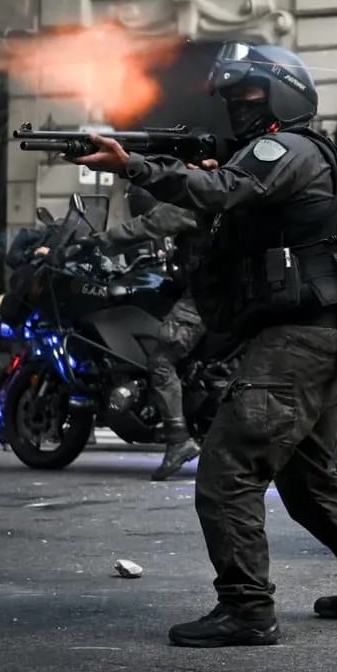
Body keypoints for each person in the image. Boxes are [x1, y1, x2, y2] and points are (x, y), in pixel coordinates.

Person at [68, 42, 337, 647]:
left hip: (303, 336)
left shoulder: (288, 149)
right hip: (331, 331)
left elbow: (223, 191)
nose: (238, 109)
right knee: (307, 480)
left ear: (282, 96)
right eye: (231, 100)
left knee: (227, 471)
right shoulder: (314, 155)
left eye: (247, 97)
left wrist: (134, 167)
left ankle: (247, 609)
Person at [79, 184, 208, 480]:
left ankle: (179, 439)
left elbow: (148, 226)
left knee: (162, 362)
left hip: (204, 296)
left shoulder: (189, 200)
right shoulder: (213, 192)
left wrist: (97, 242)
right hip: (215, 292)